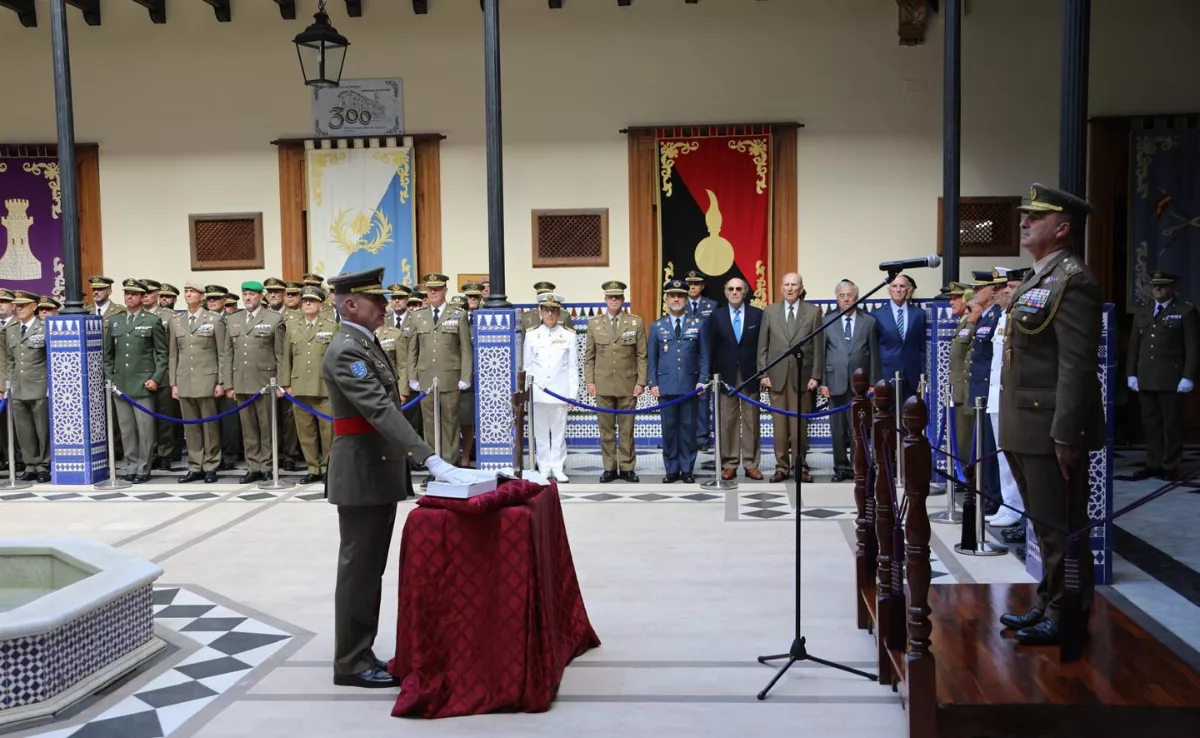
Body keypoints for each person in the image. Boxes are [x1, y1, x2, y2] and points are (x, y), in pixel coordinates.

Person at [321, 267, 475, 689]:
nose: (386, 306)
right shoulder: (345, 350)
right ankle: (351, 662)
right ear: (351, 304)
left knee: (370, 569)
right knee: (360, 570)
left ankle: (361, 651)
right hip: (361, 472)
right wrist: (430, 459)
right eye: (377, 300)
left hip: (376, 468)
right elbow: (381, 411)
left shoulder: (364, 343)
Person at [999, 183, 1104, 646]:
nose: (1024, 222)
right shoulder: (1041, 275)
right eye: (1024, 215)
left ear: (1062, 229)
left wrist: (1066, 434)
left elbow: (1076, 365)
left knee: (1062, 527)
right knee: (1043, 525)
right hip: (1025, 423)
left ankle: (1068, 616)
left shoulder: (1072, 278)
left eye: (1034, 217)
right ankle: (1047, 601)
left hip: (1049, 427)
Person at [1127, 270, 1198, 481]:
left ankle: (1170, 465)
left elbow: (1193, 347)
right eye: (1154, 286)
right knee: (1150, 424)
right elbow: (1134, 347)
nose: (1157, 289)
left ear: (1173, 287)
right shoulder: (1143, 312)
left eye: (1163, 285)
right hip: (1146, 377)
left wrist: (1188, 376)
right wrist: (1131, 373)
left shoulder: (1185, 311)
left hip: (1171, 378)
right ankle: (1153, 463)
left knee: (1171, 425)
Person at [757, 272, 824, 484]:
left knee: (799, 427)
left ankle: (800, 465)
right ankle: (781, 466)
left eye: (794, 285)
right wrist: (763, 373)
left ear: (801, 287)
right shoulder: (770, 311)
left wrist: (816, 375)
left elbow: (819, 347)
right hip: (776, 377)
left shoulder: (813, 312)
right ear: (781, 288)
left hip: (802, 378)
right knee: (779, 426)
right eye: (786, 284)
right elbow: (763, 347)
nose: (789, 288)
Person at [104, 279, 168, 484]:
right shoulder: (115, 321)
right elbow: (108, 355)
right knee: (127, 429)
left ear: (142, 297)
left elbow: (161, 354)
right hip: (120, 384)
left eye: (133, 294)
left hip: (143, 383)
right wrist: (110, 379)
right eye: (127, 293)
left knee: (145, 429)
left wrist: (156, 379)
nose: (129, 297)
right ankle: (131, 465)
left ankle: (144, 467)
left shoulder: (151, 320)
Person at [406, 272, 473, 465]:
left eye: (437, 289)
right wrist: (413, 375)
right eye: (430, 289)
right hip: (426, 377)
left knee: (450, 424)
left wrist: (465, 375)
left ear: (445, 290)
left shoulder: (458, 314)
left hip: (450, 377)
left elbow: (465, 348)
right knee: (429, 425)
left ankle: (450, 464)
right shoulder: (418, 316)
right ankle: (434, 466)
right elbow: (413, 349)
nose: (433, 292)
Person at [648, 279, 710, 483]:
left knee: (688, 430)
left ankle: (687, 469)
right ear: (666, 299)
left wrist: (702, 380)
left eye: (680, 295)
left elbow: (704, 356)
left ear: (686, 298)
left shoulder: (698, 324)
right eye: (672, 295)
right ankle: (671, 469)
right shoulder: (657, 326)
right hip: (665, 387)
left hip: (690, 386)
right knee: (669, 430)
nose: (676, 299)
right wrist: (653, 382)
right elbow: (653, 357)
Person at [224, 281, 286, 484]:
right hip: (241, 380)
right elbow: (228, 354)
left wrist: (281, 384)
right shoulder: (234, 319)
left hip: (265, 381)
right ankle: (253, 466)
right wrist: (228, 384)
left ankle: (267, 465)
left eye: (251, 294)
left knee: (267, 426)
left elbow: (280, 355)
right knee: (248, 428)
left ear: (261, 296)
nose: (247, 298)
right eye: (245, 294)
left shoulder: (274, 319)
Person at [585, 280, 647, 483]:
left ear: (623, 299)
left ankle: (628, 467)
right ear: (605, 299)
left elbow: (641, 356)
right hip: (602, 384)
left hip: (628, 384)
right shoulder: (595, 323)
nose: (614, 300)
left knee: (627, 429)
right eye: (610, 296)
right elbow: (589, 357)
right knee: (606, 430)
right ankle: (609, 468)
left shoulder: (635, 322)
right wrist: (590, 382)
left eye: (617, 296)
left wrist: (641, 382)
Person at [819, 279, 880, 482]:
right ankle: (840, 468)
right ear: (837, 298)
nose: (846, 299)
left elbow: (873, 353)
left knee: (859, 427)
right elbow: (821, 353)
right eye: (842, 295)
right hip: (834, 382)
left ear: (857, 296)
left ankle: (858, 467)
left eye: (850, 295)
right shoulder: (827, 320)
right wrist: (823, 382)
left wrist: (873, 382)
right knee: (837, 429)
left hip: (860, 385)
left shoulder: (869, 321)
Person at [168, 282, 228, 484]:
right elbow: (173, 355)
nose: (188, 294)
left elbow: (222, 353)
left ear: (202, 296)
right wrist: (173, 383)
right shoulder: (177, 320)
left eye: (192, 291)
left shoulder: (214, 319)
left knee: (209, 426)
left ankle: (211, 465)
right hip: (184, 379)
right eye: (186, 291)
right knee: (191, 427)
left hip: (207, 379)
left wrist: (221, 381)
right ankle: (195, 465)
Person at [708, 277, 764, 480]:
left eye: (738, 289)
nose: (734, 292)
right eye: (730, 289)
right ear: (725, 292)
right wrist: (713, 376)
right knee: (727, 421)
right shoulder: (716, 316)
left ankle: (751, 464)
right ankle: (729, 463)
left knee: (751, 420)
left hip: (751, 373)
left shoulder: (758, 315)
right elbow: (711, 348)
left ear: (745, 292)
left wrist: (763, 373)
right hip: (725, 376)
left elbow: (762, 347)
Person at [283, 286, 339, 484]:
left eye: (312, 301)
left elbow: (336, 359)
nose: (307, 303)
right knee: (305, 432)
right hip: (299, 387)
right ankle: (312, 468)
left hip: (324, 387)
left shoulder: (332, 327)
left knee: (327, 431)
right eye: (305, 300)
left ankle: (328, 468)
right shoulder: (292, 327)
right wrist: (286, 383)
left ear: (320, 304)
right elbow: (286, 358)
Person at [986, 269, 1027, 529]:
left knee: (1014, 455)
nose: (1006, 291)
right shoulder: (1004, 316)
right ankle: (1009, 503)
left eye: (1011, 286)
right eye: (1007, 286)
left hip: (1011, 397)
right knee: (1003, 455)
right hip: (997, 394)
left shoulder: (1022, 317)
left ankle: (1018, 507)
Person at [522, 294, 578, 481]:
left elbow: (572, 367)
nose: (550, 313)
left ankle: (558, 466)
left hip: (560, 392)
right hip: (538, 393)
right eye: (546, 309)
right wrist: (527, 393)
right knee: (540, 432)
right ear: (541, 311)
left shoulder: (569, 336)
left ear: (558, 312)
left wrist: (573, 394)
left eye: (553, 310)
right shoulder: (531, 335)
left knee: (559, 432)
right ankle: (544, 466)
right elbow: (527, 367)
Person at [967, 269, 1005, 514]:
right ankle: (989, 492)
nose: (974, 292)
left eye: (979, 288)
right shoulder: (985, 316)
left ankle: (996, 497)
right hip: (982, 390)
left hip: (992, 391)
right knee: (985, 447)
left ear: (992, 291)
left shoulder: (996, 317)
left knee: (992, 447)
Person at [4, 291, 50, 483]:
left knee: (42, 429)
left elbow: (50, 358)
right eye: (17, 305)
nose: (19, 308)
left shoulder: (44, 327)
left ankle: (44, 465)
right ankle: (30, 464)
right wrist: (9, 384)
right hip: (18, 387)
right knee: (24, 430)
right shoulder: (12, 329)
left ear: (34, 306)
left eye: (23, 305)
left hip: (39, 385)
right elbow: (9, 360)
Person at [874, 273, 926, 403]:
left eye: (902, 286)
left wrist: (923, 375)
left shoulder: (919, 314)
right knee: (887, 416)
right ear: (889, 289)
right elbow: (874, 349)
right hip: (887, 374)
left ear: (908, 289)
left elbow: (922, 347)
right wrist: (874, 379)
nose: (898, 289)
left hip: (912, 375)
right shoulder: (877, 315)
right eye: (894, 286)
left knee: (910, 415)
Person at [684, 270, 718, 452]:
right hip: (686, 358)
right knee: (684, 399)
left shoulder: (712, 305)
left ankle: (702, 437)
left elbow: (714, 333)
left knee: (703, 398)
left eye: (696, 284)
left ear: (702, 286)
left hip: (705, 358)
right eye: (689, 283)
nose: (692, 287)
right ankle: (686, 436)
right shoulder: (679, 304)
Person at [150, 282, 182, 470]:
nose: (163, 299)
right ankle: (153, 452)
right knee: (149, 418)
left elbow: (172, 348)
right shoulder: (139, 316)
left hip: (165, 371)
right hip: (146, 372)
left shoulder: (171, 317)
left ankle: (166, 454)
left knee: (166, 417)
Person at [947, 282, 976, 476]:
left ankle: (967, 476)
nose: (951, 302)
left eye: (956, 298)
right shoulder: (963, 322)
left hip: (966, 391)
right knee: (960, 435)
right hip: (958, 389)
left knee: (966, 437)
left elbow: (967, 360)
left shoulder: (971, 323)